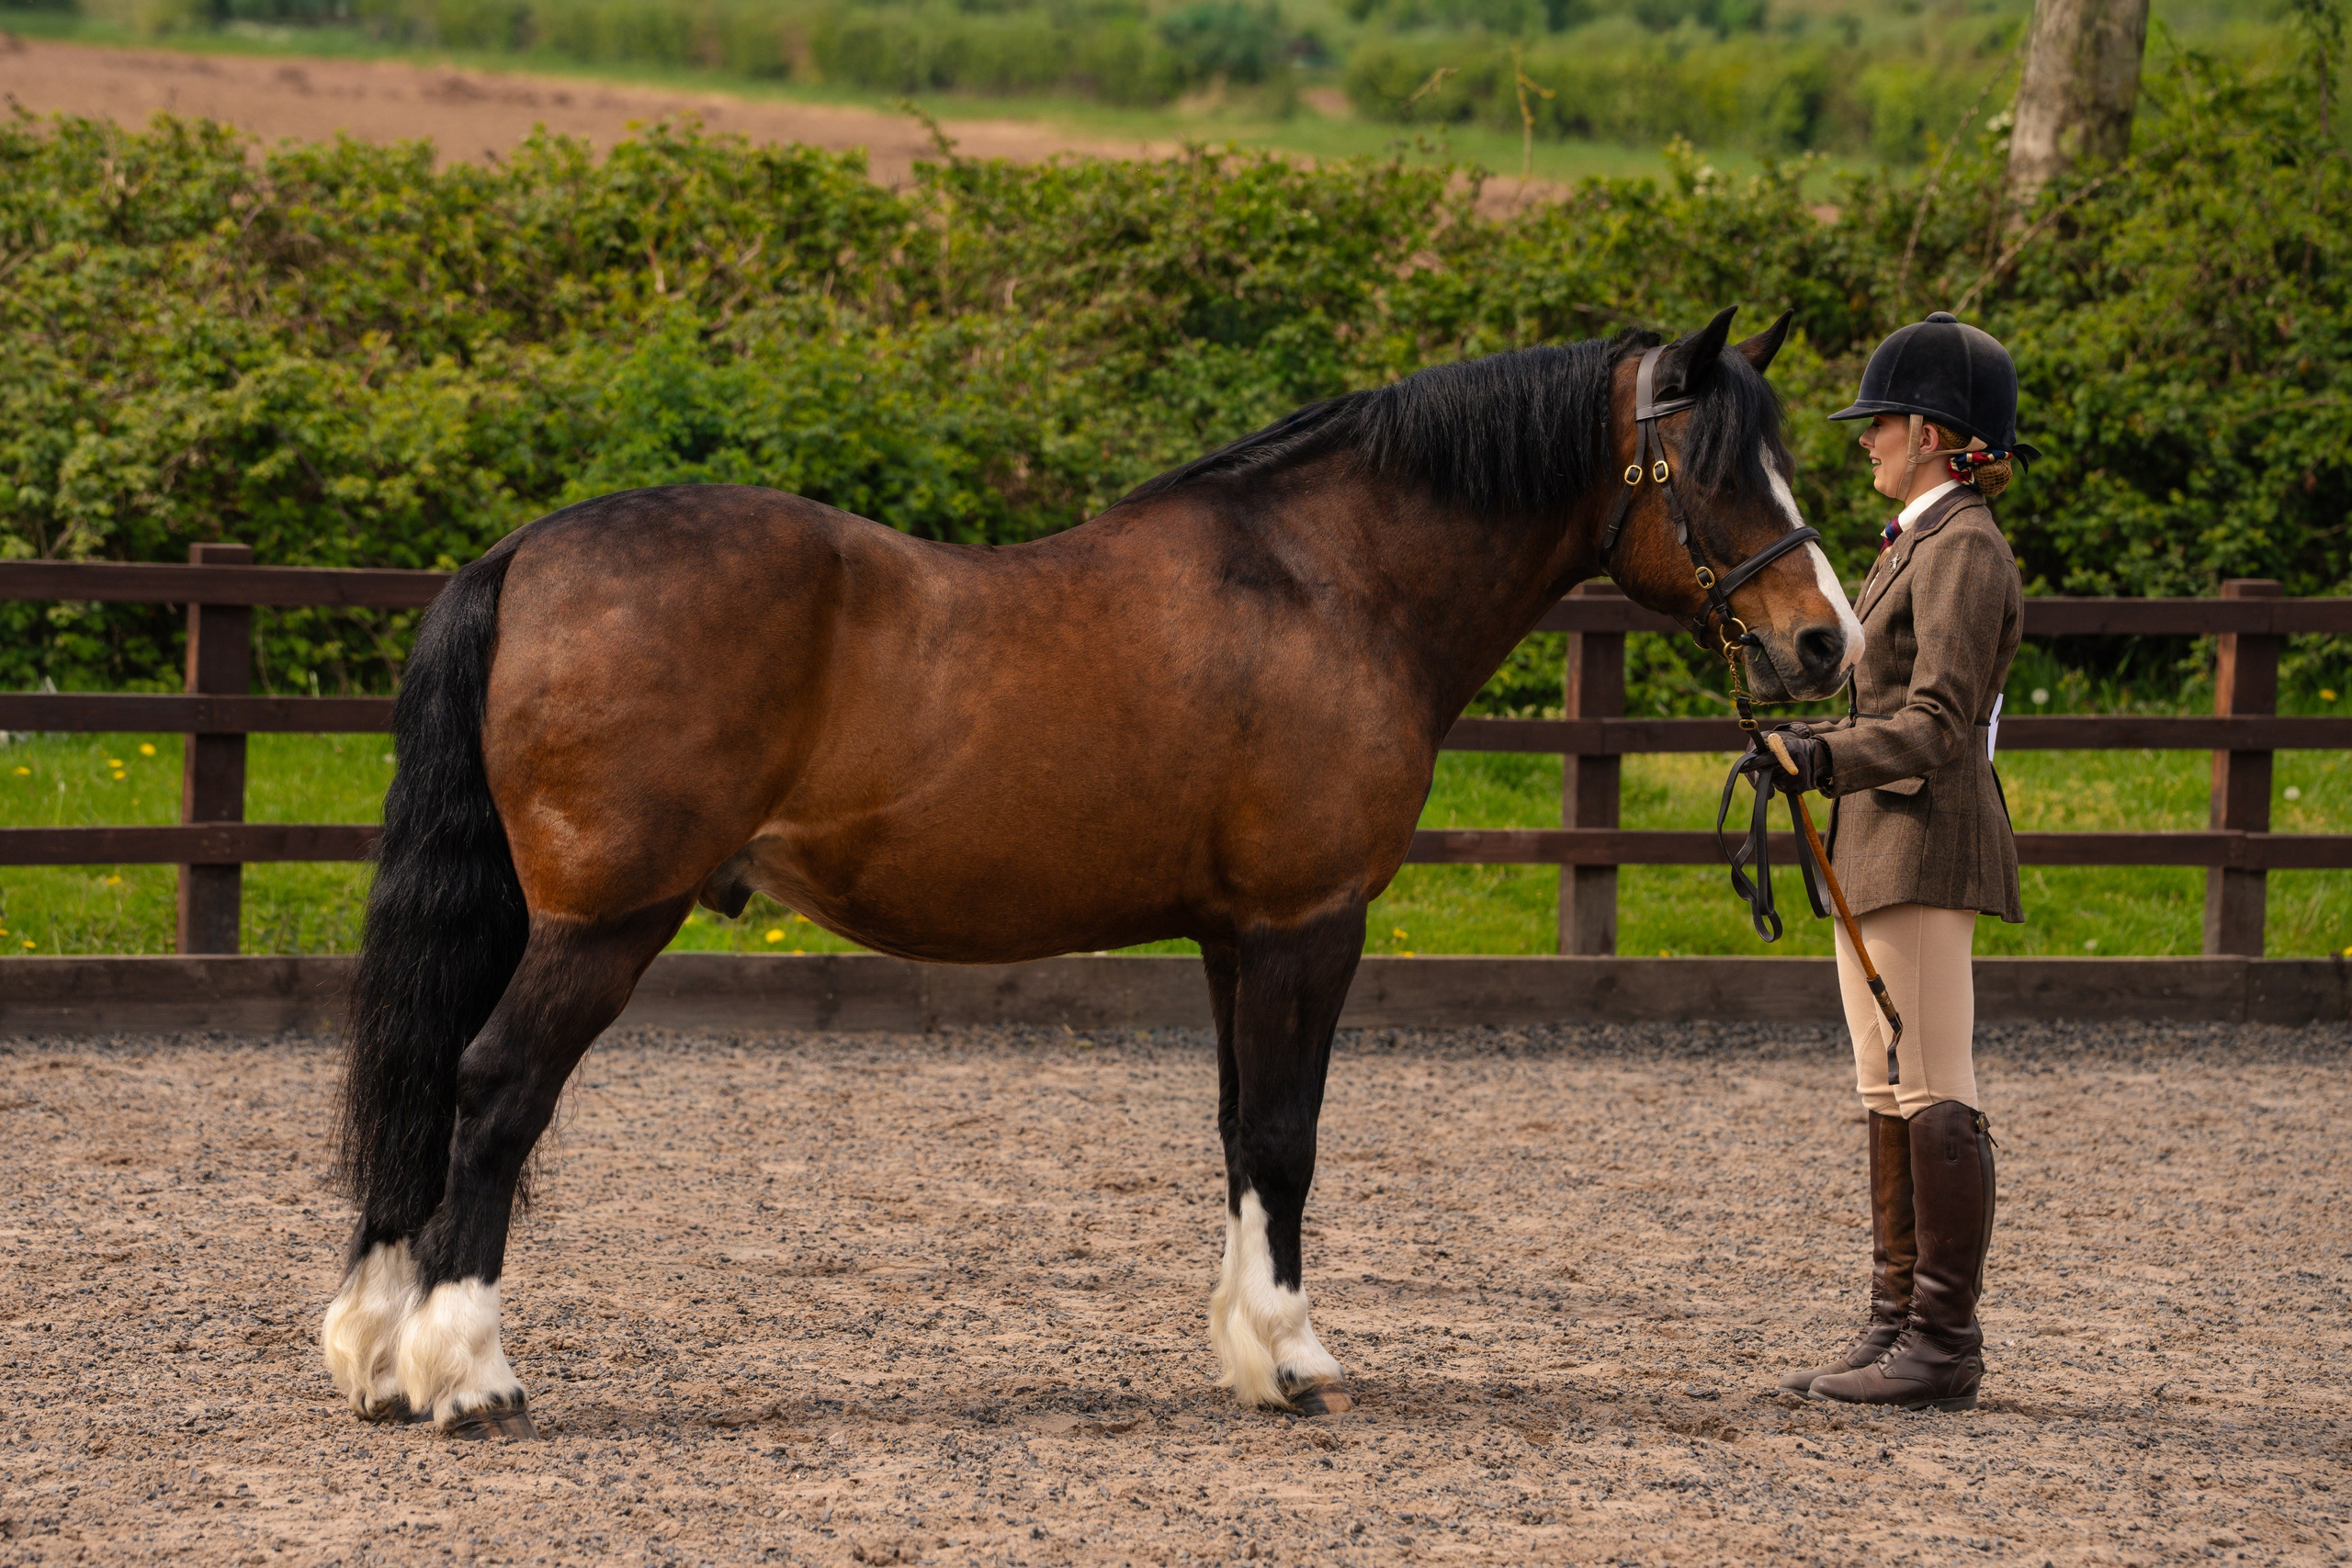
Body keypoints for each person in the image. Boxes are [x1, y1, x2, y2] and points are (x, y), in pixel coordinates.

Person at [1760, 311, 2039, 1412]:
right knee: (1885, 1088)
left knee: (1932, 1087)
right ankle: (1891, 1324)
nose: (1864, 438)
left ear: (1926, 430)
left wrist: (1821, 759)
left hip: (1925, 836)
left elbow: (1940, 719)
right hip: (1877, 842)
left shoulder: (1963, 546)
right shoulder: (1914, 541)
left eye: (1876, 421)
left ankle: (1943, 1341)